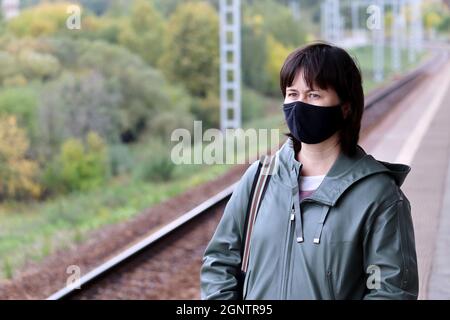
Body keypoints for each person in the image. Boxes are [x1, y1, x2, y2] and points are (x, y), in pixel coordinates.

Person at [200, 42, 418, 300]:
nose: (299, 104)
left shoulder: (378, 195)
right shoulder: (260, 179)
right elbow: (220, 261)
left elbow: (392, 291)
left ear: (345, 107)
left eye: (313, 95)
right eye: (292, 94)